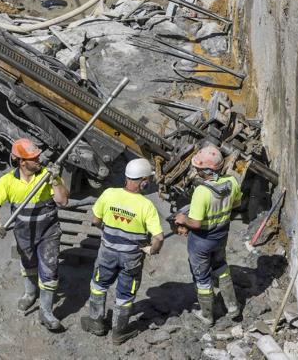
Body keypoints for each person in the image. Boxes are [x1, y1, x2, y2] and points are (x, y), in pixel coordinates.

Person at [0, 138, 69, 331]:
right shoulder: (6, 181)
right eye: (34, 157)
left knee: (50, 268)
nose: (39, 159)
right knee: (28, 262)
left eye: (38, 155)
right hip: (23, 231)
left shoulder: (48, 175)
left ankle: (46, 312)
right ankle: (30, 294)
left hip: (48, 230)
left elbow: (63, 201)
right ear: (22, 161)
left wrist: (56, 180)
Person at [80, 158, 164, 345]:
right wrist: (152, 250)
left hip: (107, 252)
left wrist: (108, 232)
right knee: (125, 294)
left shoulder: (109, 194)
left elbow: (95, 220)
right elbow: (158, 237)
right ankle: (119, 332)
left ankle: (96, 322)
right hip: (131, 258)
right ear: (143, 181)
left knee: (98, 285)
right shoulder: (146, 205)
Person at [174, 144, 242, 326]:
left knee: (202, 277)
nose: (195, 170)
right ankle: (233, 307)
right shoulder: (232, 182)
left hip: (202, 240)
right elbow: (236, 204)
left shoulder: (201, 192)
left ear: (206, 170)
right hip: (221, 236)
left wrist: (182, 219)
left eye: (197, 168)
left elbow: (195, 223)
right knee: (221, 267)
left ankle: (207, 315)